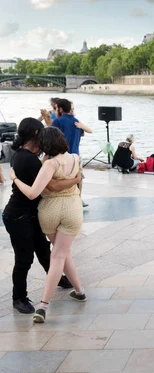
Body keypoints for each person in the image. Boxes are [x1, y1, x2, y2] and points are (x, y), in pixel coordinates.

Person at [10, 126, 87, 323]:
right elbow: (78, 185)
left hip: (50, 211)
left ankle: (44, 304)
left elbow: (32, 193)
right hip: (72, 209)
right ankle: (79, 291)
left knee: (59, 254)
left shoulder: (48, 164)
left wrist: (15, 178)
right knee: (62, 253)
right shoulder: (76, 159)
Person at [51, 99, 88, 207]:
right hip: (75, 154)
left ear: (61, 109)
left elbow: (52, 136)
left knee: (60, 177)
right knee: (78, 176)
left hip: (61, 154)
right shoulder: (77, 121)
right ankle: (79, 198)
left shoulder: (57, 121)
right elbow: (82, 134)